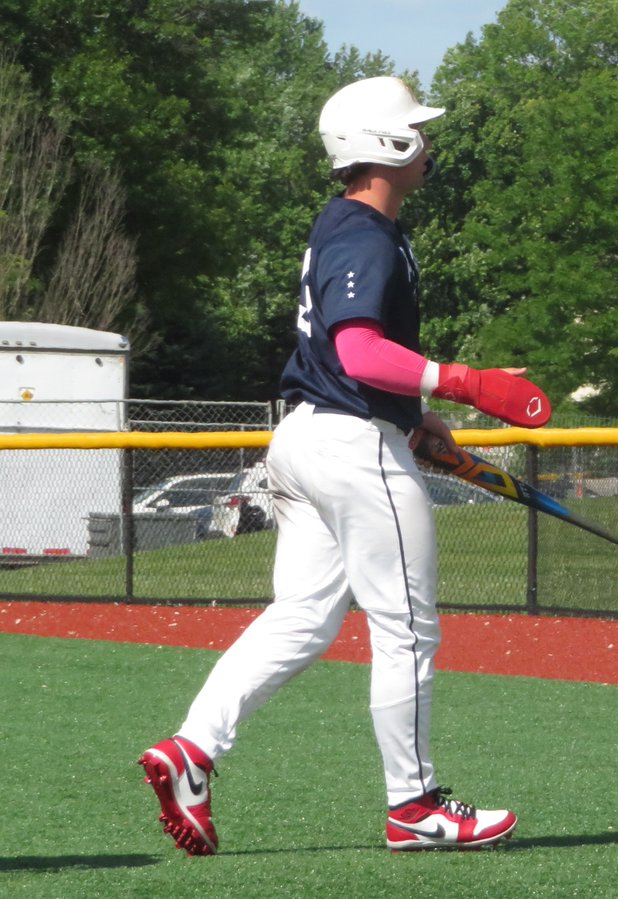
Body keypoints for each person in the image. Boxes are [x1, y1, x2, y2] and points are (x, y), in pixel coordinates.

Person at [138, 76, 551, 856]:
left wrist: (415, 418)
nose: (427, 141)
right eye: (416, 129)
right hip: (350, 448)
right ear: (384, 144)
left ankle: (192, 748)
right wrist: (465, 382)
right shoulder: (366, 234)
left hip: (309, 437)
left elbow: (344, 358)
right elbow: (359, 351)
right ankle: (415, 806)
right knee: (406, 628)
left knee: (303, 615)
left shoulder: (344, 224)